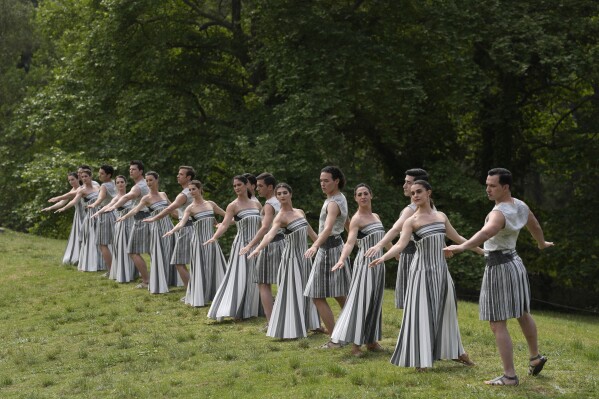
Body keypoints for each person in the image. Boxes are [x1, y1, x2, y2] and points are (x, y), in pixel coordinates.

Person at [444, 168, 553, 386]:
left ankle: (509, 376)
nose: (488, 189)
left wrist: (460, 247)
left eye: (493, 185)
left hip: (499, 267)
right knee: (522, 312)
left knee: (497, 322)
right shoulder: (520, 205)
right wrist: (542, 243)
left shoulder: (498, 213)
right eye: (487, 184)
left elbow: (487, 232)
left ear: (505, 187)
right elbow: (535, 225)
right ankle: (534, 357)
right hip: (515, 262)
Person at [370, 180, 478, 370]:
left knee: (447, 311)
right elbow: (401, 244)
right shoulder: (411, 221)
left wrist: (483, 251)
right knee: (421, 314)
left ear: (429, 192)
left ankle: (457, 351)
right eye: (412, 193)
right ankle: (422, 358)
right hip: (421, 272)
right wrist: (384, 257)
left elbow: (459, 239)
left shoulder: (441, 216)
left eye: (419, 192)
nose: (415, 196)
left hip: (442, 272)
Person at [248, 183, 320, 339]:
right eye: (279, 193)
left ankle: (311, 324)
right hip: (291, 259)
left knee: (307, 291)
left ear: (290, 194)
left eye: (284, 192)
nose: (282, 196)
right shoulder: (280, 216)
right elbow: (269, 235)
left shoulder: (300, 212)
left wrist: (320, 246)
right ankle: (290, 328)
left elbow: (311, 233)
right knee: (292, 292)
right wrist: (257, 248)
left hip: (305, 258)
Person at [328, 184, 387, 355]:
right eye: (359, 194)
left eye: (366, 193)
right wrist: (341, 259)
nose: (363, 197)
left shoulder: (376, 216)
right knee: (361, 303)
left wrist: (395, 253)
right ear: (355, 198)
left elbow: (383, 239)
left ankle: (371, 341)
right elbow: (350, 242)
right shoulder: (356, 219)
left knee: (375, 302)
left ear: (371, 195)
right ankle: (355, 346)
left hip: (379, 266)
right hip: (364, 266)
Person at [365, 168, 430, 309]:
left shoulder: (410, 209)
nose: (404, 185)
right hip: (426, 256)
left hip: (412, 256)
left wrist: (379, 245)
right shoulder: (431, 206)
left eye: (408, 182)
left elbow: (395, 229)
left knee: (411, 301)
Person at [206, 175, 262, 320]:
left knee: (255, 277)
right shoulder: (233, 205)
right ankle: (236, 310)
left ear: (246, 186)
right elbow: (225, 224)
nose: (237, 188)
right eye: (234, 186)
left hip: (256, 245)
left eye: (239, 185)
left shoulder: (257, 204)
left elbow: (264, 225)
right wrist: (214, 237)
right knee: (239, 276)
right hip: (241, 244)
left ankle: (253, 309)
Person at [304, 166, 351, 337]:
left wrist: (315, 245)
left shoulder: (333, 202)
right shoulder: (339, 198)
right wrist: (353, 238)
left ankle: (335, 337)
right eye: (321, 181)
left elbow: (328, 227)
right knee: (340, 294)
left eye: (326, 181)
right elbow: (348, 222)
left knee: (316, 295)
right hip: (337, 246)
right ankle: (353, 331)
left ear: (336, 181)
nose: (322, 184)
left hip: (329, 248)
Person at [164, 180, 227, 306]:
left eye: (194, 189)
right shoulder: (190, 208)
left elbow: (226, 215)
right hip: (198, 242)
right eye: (190, 190)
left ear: (200, 189)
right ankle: (199, 296)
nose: (191, 192)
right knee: (199, 268)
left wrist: (220, 224)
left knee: (214, 266)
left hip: (212, 240)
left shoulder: (211, 204)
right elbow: (182, 223)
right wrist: (172, 230)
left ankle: (217, 295)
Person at [117, 171, 179, 294]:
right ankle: (157, 281)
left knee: (168, 253)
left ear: (157, 180)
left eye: (151, 180)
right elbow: (135, 209)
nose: (149, 183)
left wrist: (185, 218)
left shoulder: (163, 194)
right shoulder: (146, 198)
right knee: (158, 254)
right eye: (147, 181)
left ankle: (170, 280)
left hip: (168, 226)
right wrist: (124, 217)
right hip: (156, 228)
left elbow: (173, 210)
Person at [240, 173, 285, 325]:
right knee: (281, 281)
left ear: (270, 187)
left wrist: (250, 245)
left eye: (260, 186)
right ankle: (282, 318)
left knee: (263, 283)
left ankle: (271, 322)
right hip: (282, 242)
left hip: (270, 245)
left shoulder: (269, 204)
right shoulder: (280, 201)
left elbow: (265, 227)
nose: (256, 188)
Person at [144, 166, 196, 289]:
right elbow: (175, 212)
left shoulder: (184, 194)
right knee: (194, 260)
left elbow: (170, 209)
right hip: (192, 226)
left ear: (188, 177)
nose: (178, 176)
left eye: (181, 174)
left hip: (186, 228)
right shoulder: (195, 191)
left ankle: (191, 291)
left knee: (178, 262)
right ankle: (196, 290)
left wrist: (154, 218)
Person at [102, 161, 151, 288]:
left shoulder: (138, 187)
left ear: (141, 171)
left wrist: (113, 206)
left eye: (134, 169)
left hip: (142, 219)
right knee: (152, 251)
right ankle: (157, 277)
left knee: (133, 251)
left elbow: (126, 198)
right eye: (130, 169)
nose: (131, 171)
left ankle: (146, 281)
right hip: (150, 217)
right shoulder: (147, 182)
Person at [56, 169, 103, 272]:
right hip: (90, 217)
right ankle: (89, 264)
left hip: (100, 215)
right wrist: (63, 207)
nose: (84, 179)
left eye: (86, 176)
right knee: (90, 240)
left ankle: (101, 264)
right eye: (82, 177)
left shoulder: (98, 187)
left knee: (100, 240)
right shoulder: (81, 190)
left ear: (90, 177)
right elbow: (73, 200)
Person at [101, 175, 137, 282]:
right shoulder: (116, 198)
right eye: (117, 182)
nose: (120, 184)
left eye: (122, 182)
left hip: (132, 225)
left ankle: (133, 273)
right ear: (115, 185)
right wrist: (100, 211)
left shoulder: (131, 195)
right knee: (123, 248)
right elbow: (109, 206)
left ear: (126, 183)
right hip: (121, 226)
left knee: (133, 250)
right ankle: (123, 274)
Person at [42, 172, 82, 265]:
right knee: (78, 237)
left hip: (86, 214)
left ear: (78, 179)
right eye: (69, 180)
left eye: (73, 179)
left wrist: (58, 199)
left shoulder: (82, 189)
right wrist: (50, 208)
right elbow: (62, 202)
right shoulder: (72, 190)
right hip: (78, 215)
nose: (71, 182)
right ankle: (79, 258)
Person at [86, 165, 117, 276]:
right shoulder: (115, 183)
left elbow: (101, 198)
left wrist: (93, 204)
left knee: (102, 244)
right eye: (99, 173)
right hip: (115, 213)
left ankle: (111, 271)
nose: (99, 175)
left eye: (102, 173)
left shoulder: (104, 185)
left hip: (105, 215)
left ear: (108, 175)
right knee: (115, 243)